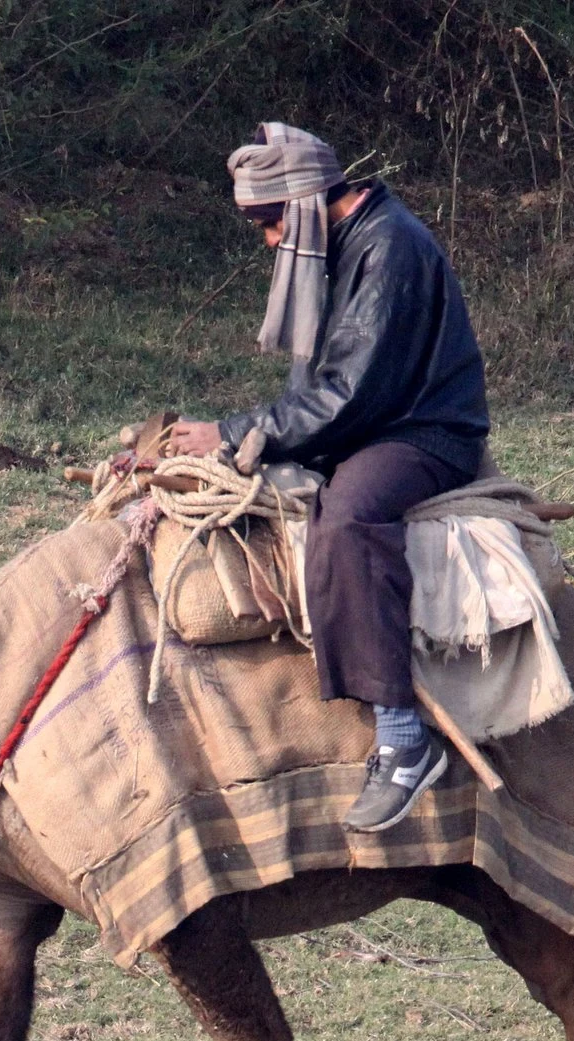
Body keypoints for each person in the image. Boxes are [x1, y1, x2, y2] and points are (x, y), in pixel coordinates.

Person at [167, 124, 489, 833]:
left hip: (422, 430)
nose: (269, 239)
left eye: (271, 220)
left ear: (306, 203)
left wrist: (232, 432)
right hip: (374, 419)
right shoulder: (341, 245)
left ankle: (404, 740)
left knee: (345, 516)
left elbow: (348, 395)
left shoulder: (390, 248)